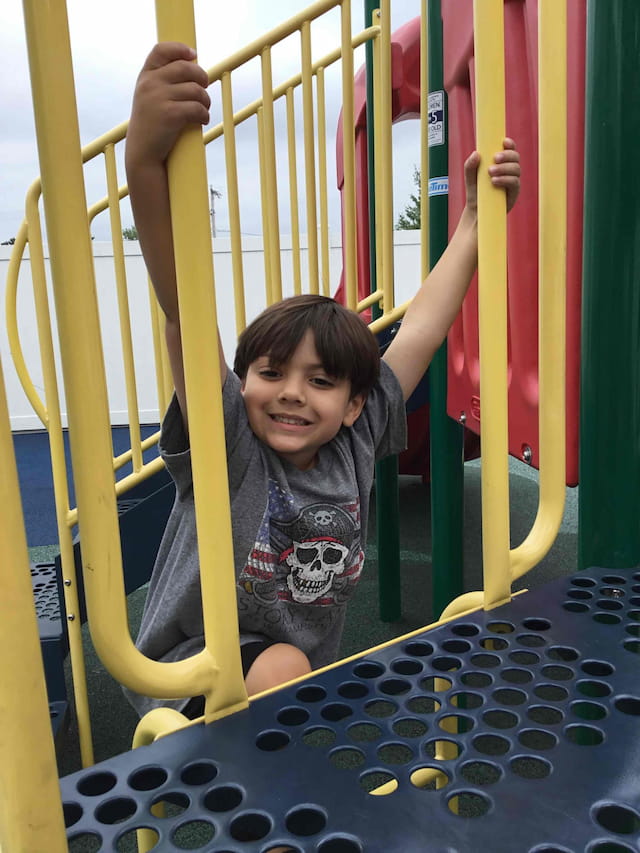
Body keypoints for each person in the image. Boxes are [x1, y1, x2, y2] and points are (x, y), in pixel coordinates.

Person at [124, 42, 520, 718]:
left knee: (292, 674)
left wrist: (477, 226)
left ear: (353, 403)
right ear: (242, 378)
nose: (290, 392)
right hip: (188, 667)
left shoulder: (355, 439)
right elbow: (183, 313)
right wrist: (144, 164)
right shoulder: (231, 444)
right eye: (271, 372)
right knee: (286, 670)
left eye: (319, 381)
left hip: (281, 673)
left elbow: (421, 328)